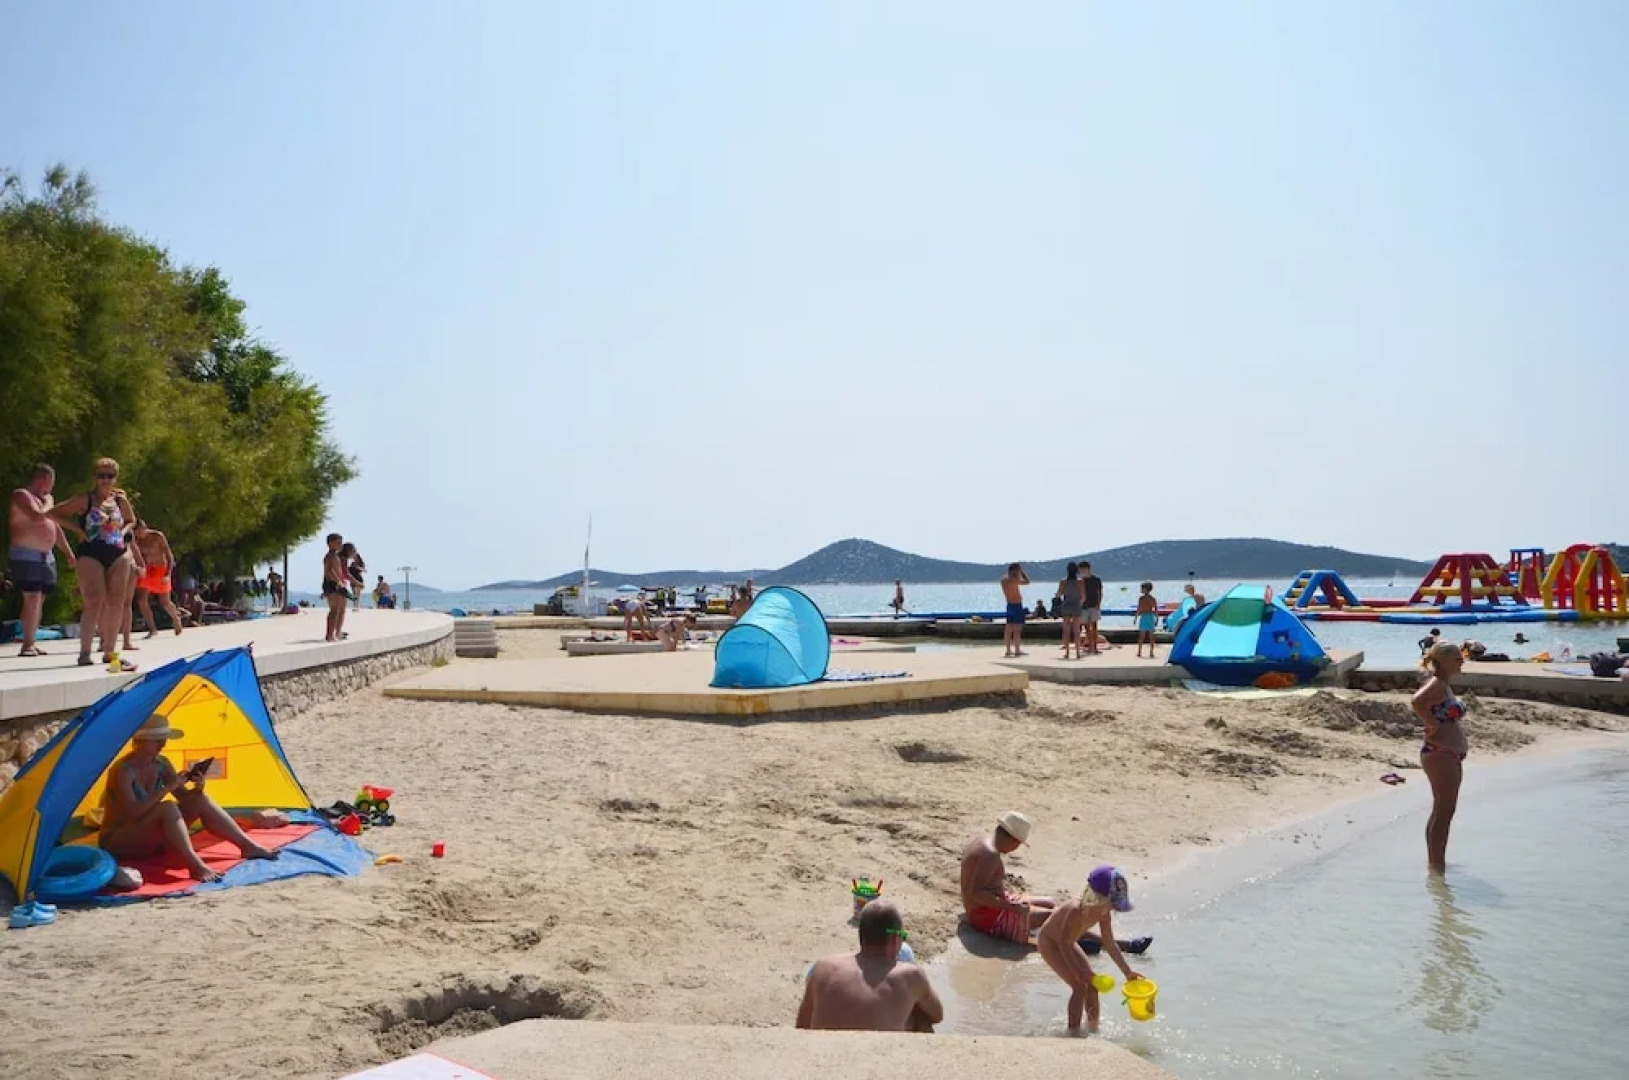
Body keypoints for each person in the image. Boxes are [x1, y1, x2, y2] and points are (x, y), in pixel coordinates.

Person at [98, 714, 279, 883]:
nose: (163, 744)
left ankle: (247, 845)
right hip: (119, 840)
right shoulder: (122, 771)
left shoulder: (161, 763)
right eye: (158, 740)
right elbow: (134, 811)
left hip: (149, 838)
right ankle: (195, 866)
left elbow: (184, 798)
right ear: (140, 741)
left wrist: (198, 787)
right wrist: (167, 788)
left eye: (164, 739)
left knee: (199, 799)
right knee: (167, 806)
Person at [50, 458, 142, 671]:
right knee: (94, 600)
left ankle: (110, 651)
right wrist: (78, 530)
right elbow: (53, 513)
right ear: (95, 477)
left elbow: (131, 520)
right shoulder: (86, 499)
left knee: (116, 601)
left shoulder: (119, 500)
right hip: (91, 551)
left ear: (115, 478)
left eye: (110, 476)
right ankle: (85, 652)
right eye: (101, 475)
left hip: (117, 551)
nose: (105, 480)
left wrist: (124, 531)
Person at [796, 899, 943, 1033]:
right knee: (921, 1017)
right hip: (875, 1052)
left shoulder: (822, 968)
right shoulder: (911, 975)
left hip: (824, 1052)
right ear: (894, 940)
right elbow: (937, 1015)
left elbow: (801, 1027)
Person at [1035, 866, 1145, 1033]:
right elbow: (1063, 943)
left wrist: (1127, 972)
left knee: (1092, 985)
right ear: (1097, 898)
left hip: (1068, 943)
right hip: (1050, 943)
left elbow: (1109, 943)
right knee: (1080, 985)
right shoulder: (1076, 910)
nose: (1113, 907)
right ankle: (1073, 1032)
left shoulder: (1103, 912)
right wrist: (1079, 971)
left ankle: (1093, 1029)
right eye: (1112, 902)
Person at [8, 465, 78, 658]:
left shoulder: (45, 502)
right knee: (32, 598)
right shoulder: (22, 495)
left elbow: (55, 527)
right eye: (51, 483)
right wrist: (49, 504)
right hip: (26, 554)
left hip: (46, 556)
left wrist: (68, 552)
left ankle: (29, 638)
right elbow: (36, 517)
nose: (51, 488)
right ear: (44, 480)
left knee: (39, 600)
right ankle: (27, 645)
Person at [1414, 641, 1468, 873]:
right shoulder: (1436, 683)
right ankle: (1436, 867)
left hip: (1447, 754)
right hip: (1440, 753)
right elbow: (1416, 702)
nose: (1461, 661)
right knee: (1443, 812)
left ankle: (1436, 865)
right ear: (1443, 661)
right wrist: (1431, 724)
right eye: (1457, 658)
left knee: (1443, 811)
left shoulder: (1443, 685)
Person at [961, 811, 1055, 942]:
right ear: (1013, 840)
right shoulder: (990, 855)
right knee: (1053, 916)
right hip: (986, 916)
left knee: (1049, 903)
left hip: (994, 903)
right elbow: (976, 893)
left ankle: (1038, 930)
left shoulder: (983, 840)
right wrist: (1012, 907)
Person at [131, 521, 185, 638]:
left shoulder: (157, 536)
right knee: (141, 599)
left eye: (140, 531)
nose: (139, 534)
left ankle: (176, 618)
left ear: (144, 528)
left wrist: (168, 574)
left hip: (161, 568)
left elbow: (169, 555)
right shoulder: (136, 540)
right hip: (147, 569)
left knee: (164, 602)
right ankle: (152, 628)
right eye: (136, 532)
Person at [322, 533, 349, 642]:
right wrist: (338, 581)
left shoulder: (336, 556)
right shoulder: (330, 556)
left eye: (341, 542)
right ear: (330, 543)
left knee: (340, 610)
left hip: (337, 583)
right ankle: (329, 635)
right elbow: (329, 571)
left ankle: (336, 632)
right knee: (334, 610)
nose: (341, 545)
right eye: (338, 543)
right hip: (332, 584)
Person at [1056, 562, 1085, 660]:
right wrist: (1080, 603)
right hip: (1076, 605)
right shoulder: (1080, 581)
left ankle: (1067, 652)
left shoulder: (1063, 581)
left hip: (1066, 605)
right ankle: (1077, 653)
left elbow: (1059, 594)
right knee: (1077, 630)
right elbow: (1083, 596)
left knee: (1066, 630)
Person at [1000, 563, 1030, 658]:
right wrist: (1022, 572)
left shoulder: (1003, 579)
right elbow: (1027, 581)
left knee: (1008, 629)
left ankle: (1008, 650)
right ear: (1015, 570)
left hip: (1009, 605)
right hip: (1016, 605)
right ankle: (1017, 650)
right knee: (1017, 629)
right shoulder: (1015, 579)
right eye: (1018, 570)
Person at [1080, 561, 1104, 655]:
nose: (1082, 571)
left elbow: (1099, 593)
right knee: (1086, 628)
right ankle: (1090, 646)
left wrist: (1098, 604)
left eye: (1083, 569)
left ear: (1088, 569)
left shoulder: (1096, 579)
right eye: (1081, 570)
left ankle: (1095, 647)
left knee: (1094, 627)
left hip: (1094, 605)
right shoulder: (1081, 580)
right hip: (1084, 606)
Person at [1135, 581, 1159, 659]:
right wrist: (1157, 618)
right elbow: (1155, 610)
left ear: (1146, 589)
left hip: (1145, 617)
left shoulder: (1142, 599)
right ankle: (1148, 652)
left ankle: (1141, 652)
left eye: (1142, 588)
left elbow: (1139, 609)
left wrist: (1136, 617)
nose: (1141, 590)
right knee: (1149, 636)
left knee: (1143, 636)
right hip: (1150, 616)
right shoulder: (1151, 599)